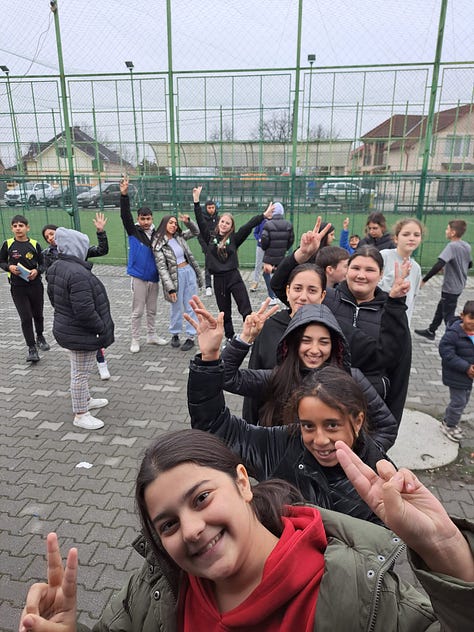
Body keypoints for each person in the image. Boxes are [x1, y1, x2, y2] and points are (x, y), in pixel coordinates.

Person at [18, 430, 474, 632]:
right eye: (169, 525)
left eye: (201, 498)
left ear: (242, 482)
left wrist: (446, 548)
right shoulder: (156, 589)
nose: (192, 530)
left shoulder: (362, 594)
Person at [186, 298, 391, 523]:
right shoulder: (281, 446)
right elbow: (216, 427)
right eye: (308, 425)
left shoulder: (379, 473)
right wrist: (210, 358)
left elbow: (388, 544)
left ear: (358, 420)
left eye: (332, 424)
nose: (320, 439)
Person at [271, 224, 412, 424]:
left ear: (380, 275)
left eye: (369, 270)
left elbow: (399, 368)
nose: (361, 275)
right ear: (346, 271)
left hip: (367, 408)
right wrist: (302, 254)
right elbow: (280, 286)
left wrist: (391, 422)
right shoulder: (325, 300)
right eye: (355, 268)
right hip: (321, 403)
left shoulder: (391, 313)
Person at [222, 301, 398, 450]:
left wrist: (358, 458)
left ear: (335, 346)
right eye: (306, 341)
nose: (314, 350)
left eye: (324, 342)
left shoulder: (352, 378)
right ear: (293, 344)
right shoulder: (277, 377)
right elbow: (226, 377)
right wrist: (245, 338)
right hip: (285, 477)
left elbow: (387, 427)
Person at [46, 228, 114, 430]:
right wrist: (100, 327)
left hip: (69, 327)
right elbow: (84, 310)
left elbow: (54, 298)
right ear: (77, 248)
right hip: (79, 331)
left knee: (80, 370)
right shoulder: (77, 273)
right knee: (79, 374)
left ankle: (86, 399)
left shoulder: (58, 266)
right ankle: (81, 413)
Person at [243, 262, 327, 423]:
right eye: (297, 288)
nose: (303, 296)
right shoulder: (269, 326)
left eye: (312, 290)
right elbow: (253, 383)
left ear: (322, 296)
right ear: (287, 291)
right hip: (273, 425)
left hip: (315, 428)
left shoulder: (330, 331)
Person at [193, 184, 275, 340]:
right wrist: (196, 201)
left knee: (246, 309)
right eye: (222, 221)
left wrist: (263, 216)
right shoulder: (210, 237)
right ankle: (230, 338)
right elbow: (200, 221)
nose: (224, 224)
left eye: (228, 223)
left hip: (234, 277)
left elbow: (249, 225)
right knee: (225, 313)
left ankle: (253, 336)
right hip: (218, 280)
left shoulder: (234, 239)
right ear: (219, 223)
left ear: (231, 227)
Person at [42, 213, 112, 380]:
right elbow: (52, 288)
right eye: (48, 236)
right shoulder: (51, 257)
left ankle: (101, 364)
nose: (52, 238)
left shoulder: (76, 253)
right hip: (71, 308)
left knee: (84, 352)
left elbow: (102, 250)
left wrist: (100, 232)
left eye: (54, 234)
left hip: (72, 304)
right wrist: (100, 326)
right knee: (81, 368)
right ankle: (82, 404)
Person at [120, 175, 167, 353]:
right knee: (137, 311)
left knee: (152, 309)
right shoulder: (133, 231)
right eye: (142, 218)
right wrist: (124, 196)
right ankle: (135, 339)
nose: (145, 222)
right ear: (138, 219)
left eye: (148, 219)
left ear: (152, 218)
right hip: (138, 276)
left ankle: (152, 335)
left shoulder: (158, 233)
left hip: (154, 278)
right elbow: (125, 215)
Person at [0, 214, 50, 363]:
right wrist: (9, 267)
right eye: (15, 226)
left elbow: (43, 264)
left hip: (35, 286)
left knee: (38, 315)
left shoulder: (34, 244)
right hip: (17, 287)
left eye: (21, 226)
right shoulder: (7, 244)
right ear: (12, 228)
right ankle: (31, 348)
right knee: (26, 317)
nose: (18, 228)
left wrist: (37, 271)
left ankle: (40, 336)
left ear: (27, 228)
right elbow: (1, 261)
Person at [152, 213, 203, 352]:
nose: (174, 226)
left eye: (175, 223)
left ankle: (191, 337)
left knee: (191, 304)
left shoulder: (179, 237)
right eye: (171, 223)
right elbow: (162, 268)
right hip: (175, 276)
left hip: (188, 271)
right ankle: (175, 334)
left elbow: (196, 232)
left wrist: (188, 222)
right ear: (164, 224)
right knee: (175, 305)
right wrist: (170, 288)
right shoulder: (158, 243)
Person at [415, 219, 472, 341]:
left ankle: (455, 339)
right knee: (442, 308)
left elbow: (439, 264)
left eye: (447, 229)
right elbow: (469, 264)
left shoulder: (451, 246)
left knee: (448, 315)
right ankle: (431, 331)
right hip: (460, 285)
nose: (445, 231)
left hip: (450, 287)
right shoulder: (466, 245)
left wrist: (424, 280)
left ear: (452, 232)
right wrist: (450, 267)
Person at [438, 300, 474, 442]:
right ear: (462, 315)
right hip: (457, 375)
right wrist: (466, 367)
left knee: (463, 400)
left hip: (468, 377)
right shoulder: (453, 334)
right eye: (471, 318)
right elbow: (446, 353)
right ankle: (450, 425)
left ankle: (448, 420)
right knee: (458, 402)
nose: (473, 322)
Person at [378, 218, 423, 324]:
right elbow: (375, 288)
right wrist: (397, 275)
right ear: (396, 238)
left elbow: (411, 301)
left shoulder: (416, 268)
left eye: (416, 235)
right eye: (406, 234)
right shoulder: (384, 256)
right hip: (380, 319)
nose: (412, 238)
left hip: (400, 323)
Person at [260, 202, 294, 304]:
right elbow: (291, 240)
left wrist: (265, 248)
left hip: (269, 254)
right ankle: (281, 294)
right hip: (282, 253)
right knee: (280, 272)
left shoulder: (268, 224)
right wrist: (284, 248)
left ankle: (272, 295)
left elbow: (264, 240)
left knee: (266, 273)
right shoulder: (288, 224)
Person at [196, 198, 219, 296]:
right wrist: (205, 248)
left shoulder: (218, 219)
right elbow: (200, 236)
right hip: (207, 247)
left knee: (219, 266)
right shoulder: (203, 219)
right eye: (209, 208)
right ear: (206, 208)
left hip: (217, 246)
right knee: (208, 266)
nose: (211, 209)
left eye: (213, 207)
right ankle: (208, 286)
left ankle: (218, 285)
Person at [249, 217, 266, 292]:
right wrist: (259, 239)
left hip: (271, 247)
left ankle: (273, 285)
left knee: (272, 266)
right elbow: (255, 232)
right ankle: (255, 282)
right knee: (258, 264)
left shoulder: (274, 221)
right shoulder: (261, 221)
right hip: (260, 246)